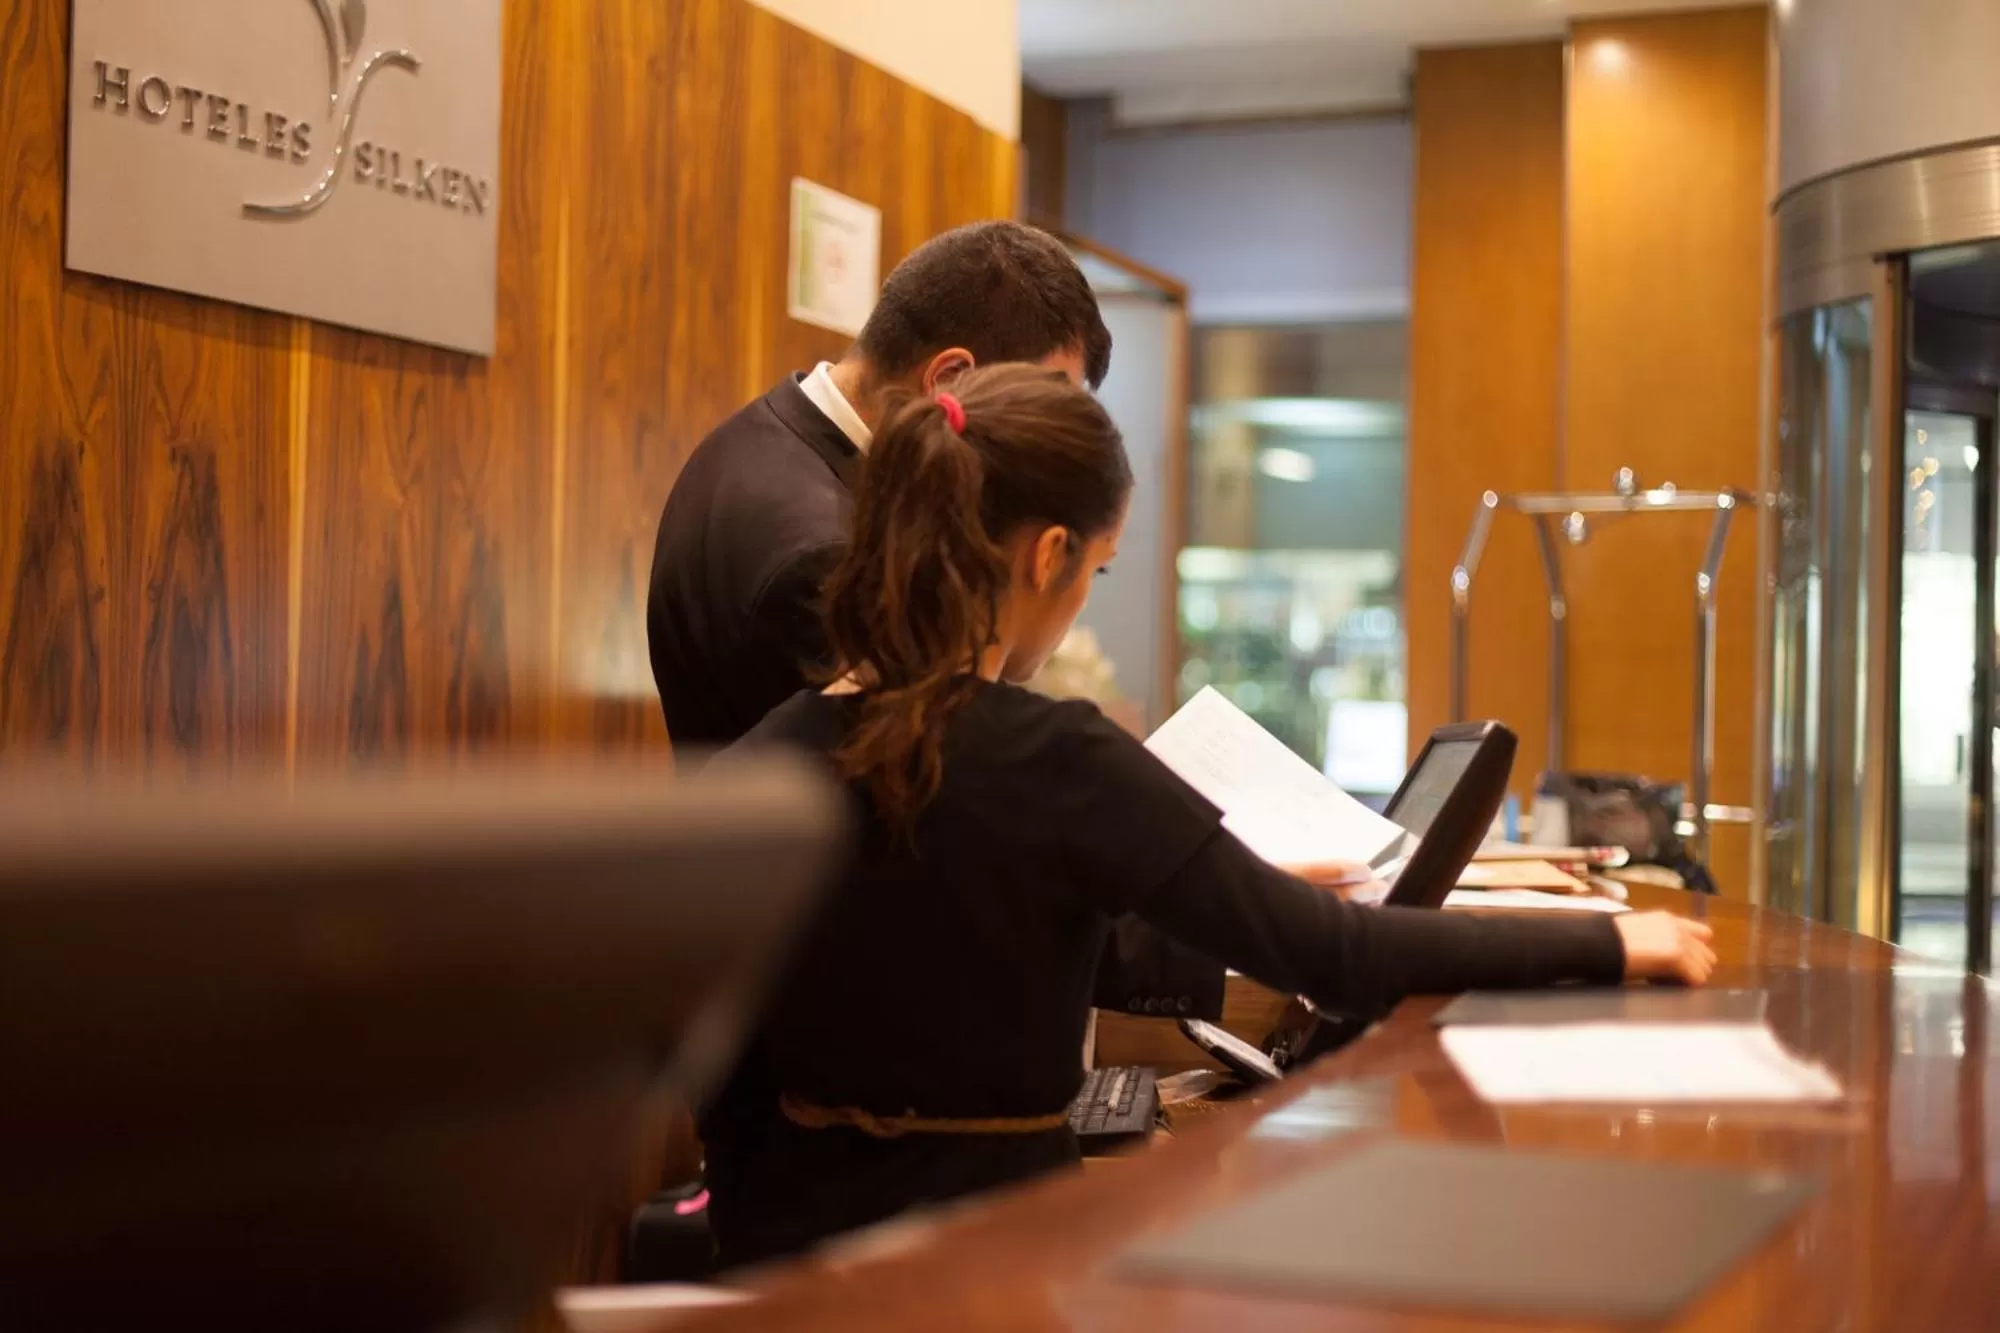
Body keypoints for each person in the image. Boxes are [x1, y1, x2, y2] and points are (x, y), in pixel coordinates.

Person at [706, 364, 1717, 1267]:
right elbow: (1335, 957)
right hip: (999, 1259)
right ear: (1047, 553)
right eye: (1094, 574)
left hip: (791, 1267)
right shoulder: (1057, 755)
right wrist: (1615, 939)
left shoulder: (767, 757)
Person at [646, 219, 1221, 1019]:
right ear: (950, 380)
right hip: (833, 1065)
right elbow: (951, 850)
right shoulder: (823, 555)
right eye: (1031, 410)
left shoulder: (771, 443)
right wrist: (1227, 929)